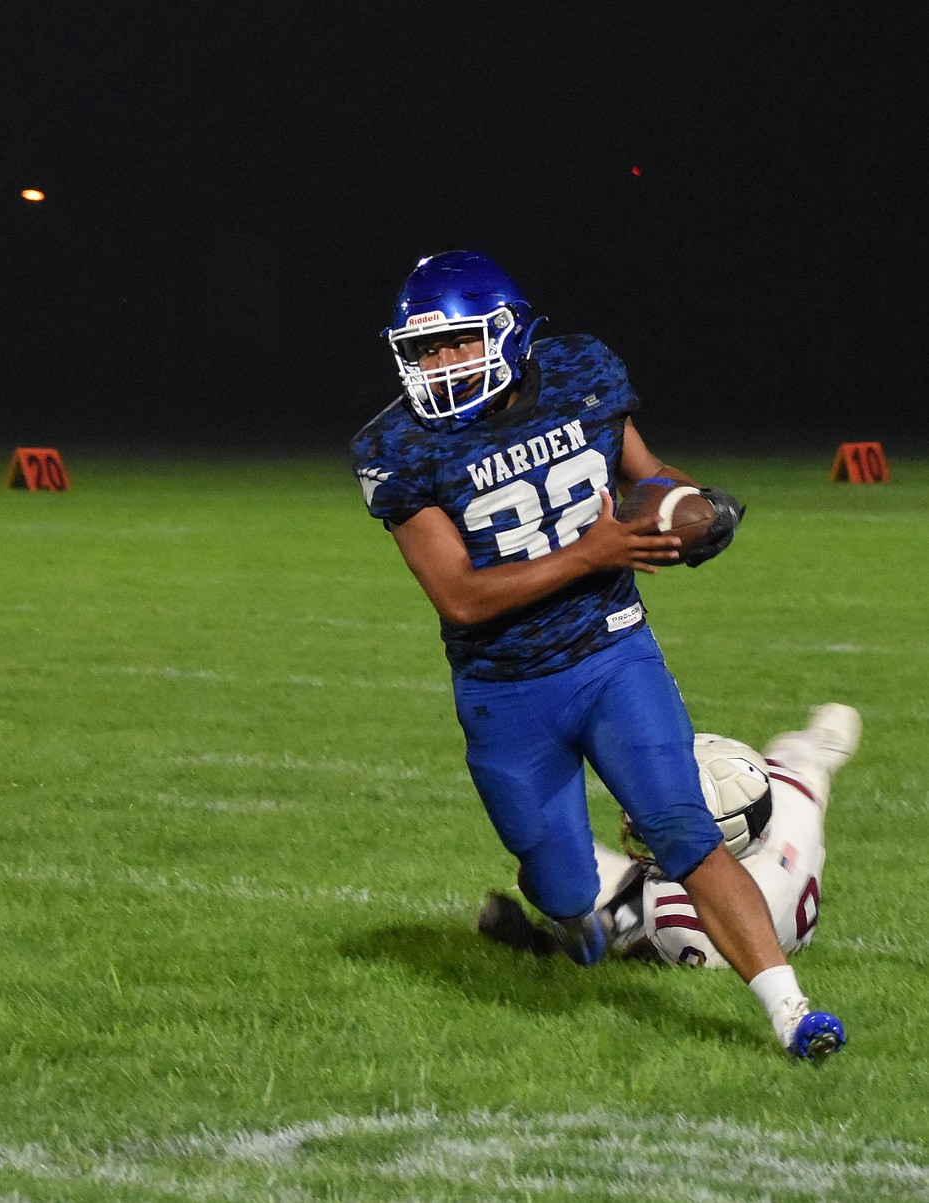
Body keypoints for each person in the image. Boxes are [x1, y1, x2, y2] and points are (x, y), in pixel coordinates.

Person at [350, 249, 845, 1060]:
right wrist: (591, 551)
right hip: (507, 689)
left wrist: (691, 508)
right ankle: (581, 925)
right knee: (560, 881)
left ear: (509, 332)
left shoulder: (581, 372)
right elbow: (460, 596)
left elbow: (647, 476)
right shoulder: (398, 446)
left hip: (613, 650)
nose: (440, 365)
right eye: (424, 350)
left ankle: (793, 1013)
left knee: (682, 826)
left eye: (458, 342)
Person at [478, 703, 861, 972]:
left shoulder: (678, 915)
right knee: (808, 751)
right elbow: (818, 745)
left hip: (718, 916)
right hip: (775, 891)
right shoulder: (790, 796)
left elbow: (631, 955)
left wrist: (542, 944)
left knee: (554, 866)